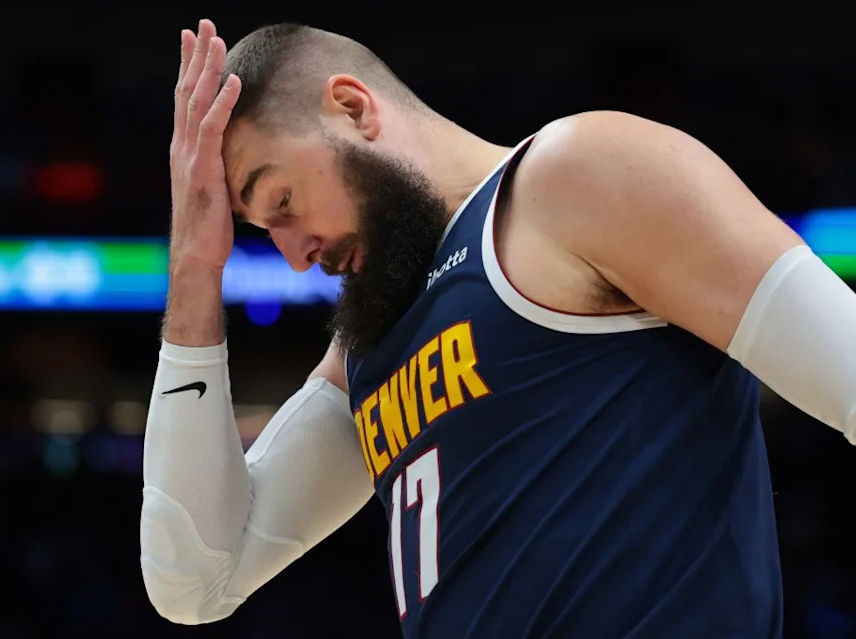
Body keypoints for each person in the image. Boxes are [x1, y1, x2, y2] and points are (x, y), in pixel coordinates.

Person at [139, 18, 856, 638]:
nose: (296, 255)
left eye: (282, 200)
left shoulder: (576, 175)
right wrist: (194, 267)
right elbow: (197, 578)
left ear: (352, 108)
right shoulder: (366, 347)